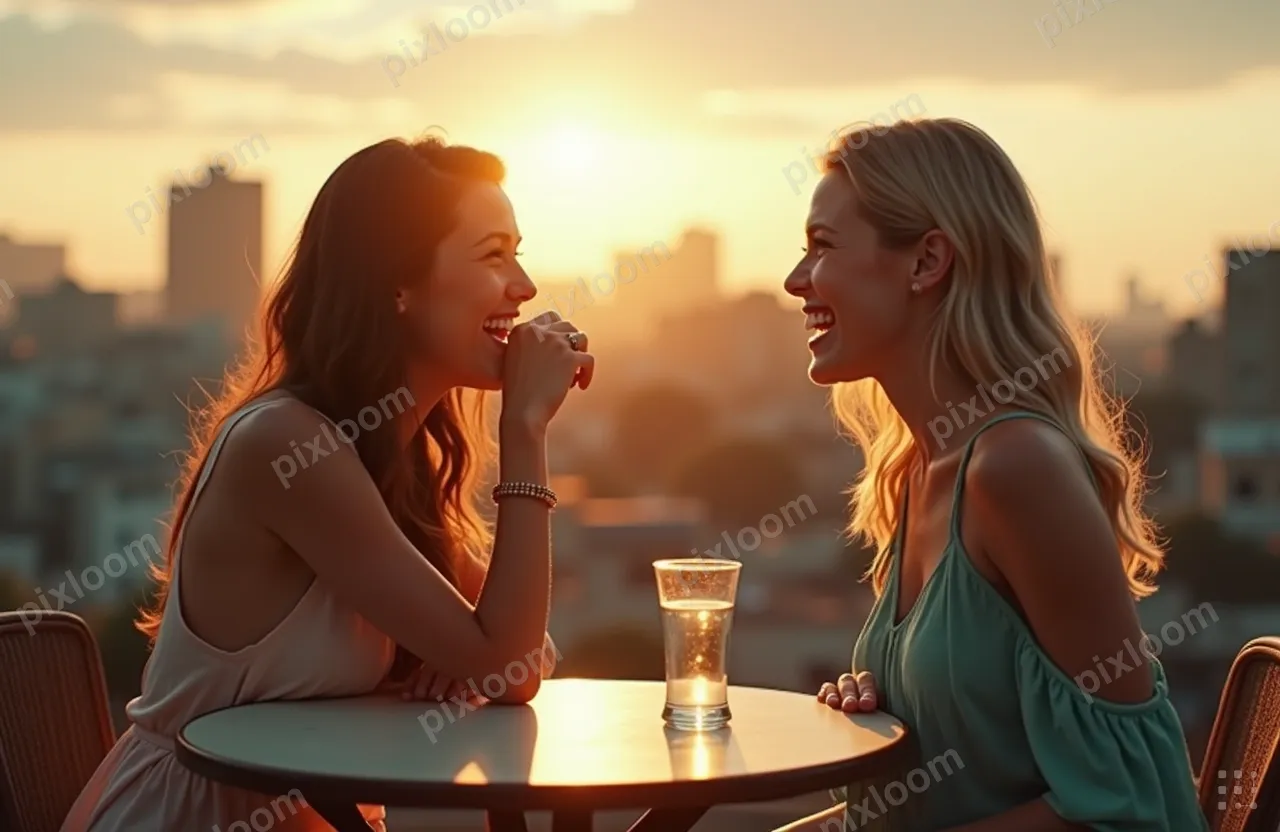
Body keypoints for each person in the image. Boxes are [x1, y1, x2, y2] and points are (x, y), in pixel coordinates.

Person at [62, 135, 593, 832]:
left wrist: (472, 656)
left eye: (518, 253)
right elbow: (509, 652)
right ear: (397, 283)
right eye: (493, 255)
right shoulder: (291, 448)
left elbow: (515, 665)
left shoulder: (394, 462)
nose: (523, 288)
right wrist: (524, 430)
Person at [776, 118, 1207, 831]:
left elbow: (1132, 802)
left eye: (821, 247)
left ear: (926, 262)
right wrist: (884, 724)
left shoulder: (1014, 470)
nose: (795, 281)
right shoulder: (915, 472)